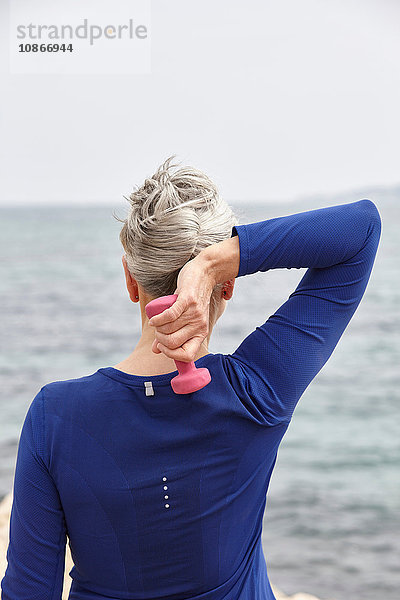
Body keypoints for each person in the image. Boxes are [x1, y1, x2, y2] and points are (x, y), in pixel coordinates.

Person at [1, 156, 382, 600]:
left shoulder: (55, 416)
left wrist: (211, 266)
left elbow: (29, 591)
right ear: (228, 286)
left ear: (130, 279)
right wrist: (219, 262)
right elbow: (360, 230)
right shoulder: (255, 392)